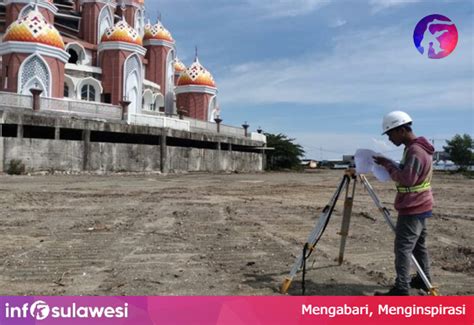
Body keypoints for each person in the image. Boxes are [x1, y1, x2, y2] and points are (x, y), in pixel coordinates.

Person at [373, 111, 435, 296]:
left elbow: (407, 179)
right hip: (421, 203)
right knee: (418, 246)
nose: (390, 139)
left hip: (413, 205)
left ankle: (401, 288)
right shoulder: (415, 148)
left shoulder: (415, 150)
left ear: (401, 130)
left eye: (390, 134)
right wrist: (389, 162)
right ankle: (424, 280)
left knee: (403, 248)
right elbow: (411, 172)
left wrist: (388, 166)